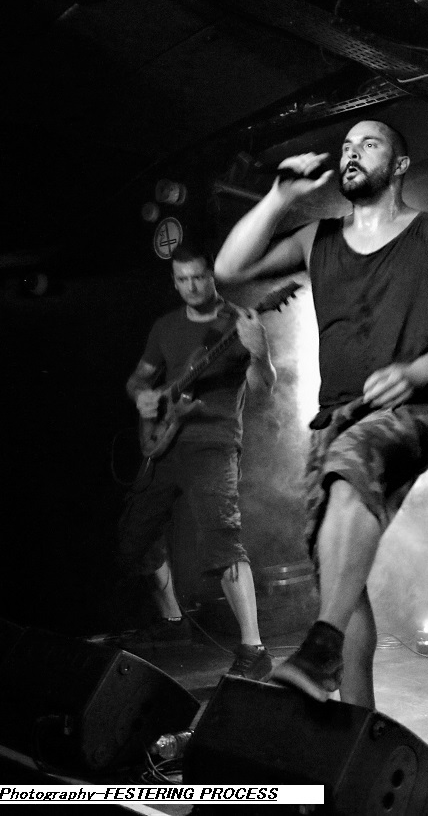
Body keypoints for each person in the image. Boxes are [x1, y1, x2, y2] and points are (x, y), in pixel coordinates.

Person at [214, 119, 428, 706]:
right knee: (339, 575)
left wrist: (418, 370)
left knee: (350, 468)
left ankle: (318, 652)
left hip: (406, 412)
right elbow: (229, 272)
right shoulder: (318, 238)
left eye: (369, 144)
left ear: (400, 165)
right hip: (331, 418)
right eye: (345, 146)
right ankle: (355, 726)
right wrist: (280, 197)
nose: (351, 153)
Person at [118, 245, 277, 681]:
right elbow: (138, 379)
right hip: (165, 443)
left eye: (198, 277)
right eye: (182, 279)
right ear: (174, 282)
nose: (191, 286)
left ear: (212, 277)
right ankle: (173, 622)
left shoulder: (240, 322)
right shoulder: (166, 326)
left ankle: (254, 649)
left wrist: (260, 353)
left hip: (214, 444)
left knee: (222, 539)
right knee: (136, 537)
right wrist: (143, 396)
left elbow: (263, 388)